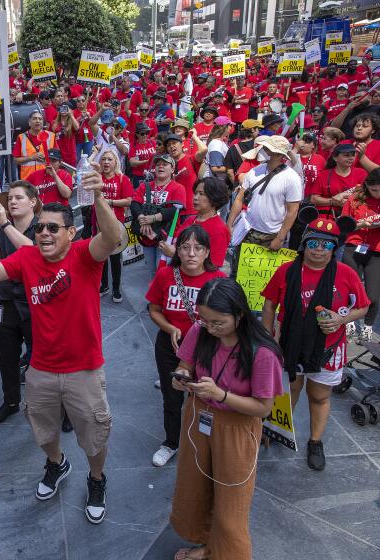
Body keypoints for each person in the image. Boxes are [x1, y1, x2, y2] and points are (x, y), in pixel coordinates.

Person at [0, 162, 121, 525]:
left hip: (84, 369)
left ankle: (97, 479)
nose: (44, 233)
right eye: (40, 228)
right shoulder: (28, 257)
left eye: (53, 228)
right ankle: (56, 464)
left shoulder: (85, 255)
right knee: (43, 431)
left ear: (71, 232)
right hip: (41, 370)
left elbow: (113, 239)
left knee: (94, 438)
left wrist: (98, 197)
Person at [170, 278, 283, 560]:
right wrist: (182, 377)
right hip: (198, 418)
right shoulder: (201, 330)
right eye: (205, 320)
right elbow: (184, 364)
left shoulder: (262, 352)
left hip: (236, 429)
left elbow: (263, 407)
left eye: (218, 322)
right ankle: (207, 546)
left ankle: (228, 553)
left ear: (239, 314)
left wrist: (221, 395)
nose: (210, 328)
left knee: (232, 500)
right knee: (195, 485)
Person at [262, 213, 369, 471]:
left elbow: (363, 307)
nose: (319, 250)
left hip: (329, 347)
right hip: (290, 344)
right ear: (304, 243)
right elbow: (269, 304)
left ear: (335, 247)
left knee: (319, 395)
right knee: (289, 390)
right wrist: (267, 338)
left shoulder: (346, 273)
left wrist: (341, 318)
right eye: (313, 243)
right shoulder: (287, 271)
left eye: (326, 244)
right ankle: (277, 429)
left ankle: (315, 441)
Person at [147, 226, 225, 468]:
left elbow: (229, 317)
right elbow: (154, 310)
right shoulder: (165, 275)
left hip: (207, 349)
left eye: (198, 248)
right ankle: (171, 442)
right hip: (170, 346)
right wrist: (170, 328)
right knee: (171, 396)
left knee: (204, 396)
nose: (191, 253)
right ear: (177, 251)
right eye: (185, 247)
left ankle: (204, 442)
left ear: (207, 252)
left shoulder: (219, 280)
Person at [0, 181, 39, 426]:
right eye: (10, 199)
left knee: (44, 358)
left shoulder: (43, 226)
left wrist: (4, 223)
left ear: (33, 202)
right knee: (6, 357)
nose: (12, 202)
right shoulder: (1, 228)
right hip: (5, 301)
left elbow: (32, 252)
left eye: (18, 198)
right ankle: (11, 402)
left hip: (36, 302)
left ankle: (63, 409)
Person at [227, 136, 302, 255]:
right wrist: (230, 224)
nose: (264, 151)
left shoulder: (292, 178)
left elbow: (292, 211)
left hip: (272, 234)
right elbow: (239, 199)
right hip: (247, 230)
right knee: (239, 271)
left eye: (267, 148)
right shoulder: (255, 171)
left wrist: (280, 238)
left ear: (277, 154)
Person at [131, 154, 188, 277]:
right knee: (152, 272)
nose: (160, 166)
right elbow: (135, 203)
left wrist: (153, 218)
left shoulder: (178, 188)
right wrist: (142, 218)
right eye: (158, 164)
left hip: (166, 238)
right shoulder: (144, 186)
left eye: (165, 164)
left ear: (172, 169)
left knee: (162, 272)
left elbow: (174, 210)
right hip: (146, 236)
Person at [341, 168, 380, 343]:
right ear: (367, 186)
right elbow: (343, 223)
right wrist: (357, 224)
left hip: (376, 250)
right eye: (375, 190)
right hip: (354, 246)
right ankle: (347, 321)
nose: (378, 194)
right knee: (349, 288)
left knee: (373, 294)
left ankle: (368, 326)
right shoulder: (355, 199)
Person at [163, 178, 231, 269]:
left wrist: (175, 255)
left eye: (201, 194)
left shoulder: (219, 229)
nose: (195, 197)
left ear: (214, 198)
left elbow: (214, 265)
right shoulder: (190, 220)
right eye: (195, 193)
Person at [96, 148, 133, 301]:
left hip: (116, 223)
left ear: (116, 162)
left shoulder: (122, 179)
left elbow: (129, 200)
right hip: (98, 222)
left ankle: (116, 289)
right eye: (103, 159)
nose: (106, 162)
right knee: (102, 256)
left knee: (115, 258)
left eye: (109, 159)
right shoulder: (97, 177)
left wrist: (109, 202)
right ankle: (104, 285)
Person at [308, 143, 367, 217]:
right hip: (327, 216)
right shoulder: (324, 175)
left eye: (353, 155)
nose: (351, 158)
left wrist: (350, 201)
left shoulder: (361, 173)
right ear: (335, 158)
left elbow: (367, 196)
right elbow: (314, 199)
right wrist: (333, 201)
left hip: (353, 216)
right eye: (346, 155)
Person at [13, 110, 57, 180]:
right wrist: (31, 157)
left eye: (40, 119)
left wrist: (48, 159)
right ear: (29, 122)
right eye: (34, 118)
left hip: (47, 178)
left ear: (43, 122)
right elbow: (16, 160)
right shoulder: (21, 137)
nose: (38, 121)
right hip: (28, 179)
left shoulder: (51, 136)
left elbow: (57, 159)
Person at [129, 122, 157, 190]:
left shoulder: (153, 143)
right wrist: (148, 161)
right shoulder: (133, 145)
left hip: (153, 175)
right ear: (137, 134)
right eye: (142, 134)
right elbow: (132, 163)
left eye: (147, 133)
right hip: (139, 176)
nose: (145, 135)